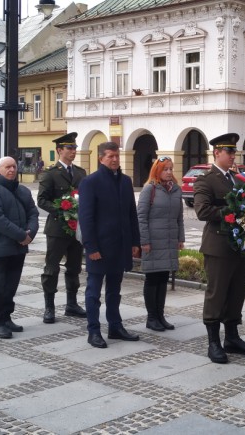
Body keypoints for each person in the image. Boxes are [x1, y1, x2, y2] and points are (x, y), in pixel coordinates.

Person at [194, 133, 245, 364]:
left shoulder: (237, 178)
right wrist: (231, 213)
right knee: (217, 293)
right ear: (216, 153)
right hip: (218, 244)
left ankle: (232, 337)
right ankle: (213, 342)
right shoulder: (206, 179)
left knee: (236, 291)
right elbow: (202, 211)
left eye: (234, 152)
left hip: (239, 245)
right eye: (228, 152)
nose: (233, 156)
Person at [78, 141, 141, 348]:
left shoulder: (125, 181)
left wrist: (134, 241)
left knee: (115, 291)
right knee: (94, 292)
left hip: (120, 246)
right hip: (99, 248)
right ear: (101, 158)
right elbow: (86, 218)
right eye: (110, 156)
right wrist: (91, 247)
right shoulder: (91, 182)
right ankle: (93, 330)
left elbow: (132, 214)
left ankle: (115, 326)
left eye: (116, 156)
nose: (114, 159)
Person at [0, 157, 39, 339]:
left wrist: (31, 232)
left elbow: (33, 213)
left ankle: (6, 317)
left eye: (14, 166)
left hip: (18, 248)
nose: (12, 170)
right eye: (7, 167)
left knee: (11, 286)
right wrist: (22, 235)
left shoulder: (22, 190)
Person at [37, 132, 87, 324]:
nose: (73, 151)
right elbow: (41, 200)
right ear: (59, 150)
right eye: (69, 148)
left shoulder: (81, 173)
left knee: (74, 267)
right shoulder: (50, 173)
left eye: (74, 148)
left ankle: (71, 304)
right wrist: (61, 210)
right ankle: (49, 307)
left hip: (76, 230)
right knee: (51, 269)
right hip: (57, 229)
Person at [137, 157, 185, 331]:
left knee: (163, 278)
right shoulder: (149, 189)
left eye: (171, 169)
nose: (169, 172)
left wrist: (181, 238)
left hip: (169, 240)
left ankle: (160, 316)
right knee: (152, 278)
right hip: (153, 242)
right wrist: (145, 241)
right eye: (166, 169)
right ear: (157, 171)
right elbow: (141, 217)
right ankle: (152, 318)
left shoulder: (176, 190)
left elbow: (179, 217)